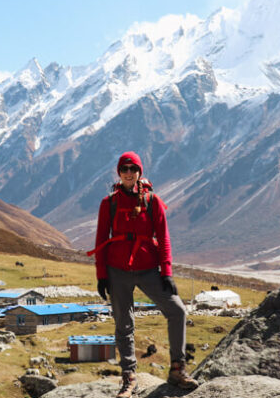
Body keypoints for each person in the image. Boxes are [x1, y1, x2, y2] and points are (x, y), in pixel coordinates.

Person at [89, 151, 199, 397]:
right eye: (124, 169)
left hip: (149, 269)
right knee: (123, 325)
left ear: (140, 172)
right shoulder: (109, 203)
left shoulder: (153, 201)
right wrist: (101, 275)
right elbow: (100, 239)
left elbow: (164, 237)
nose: (129, 173)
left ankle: (177, 369)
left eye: (133, 169)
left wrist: (166, 271)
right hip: (117, 271)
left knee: (177, 310)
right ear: (119, 172)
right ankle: (129, 378)